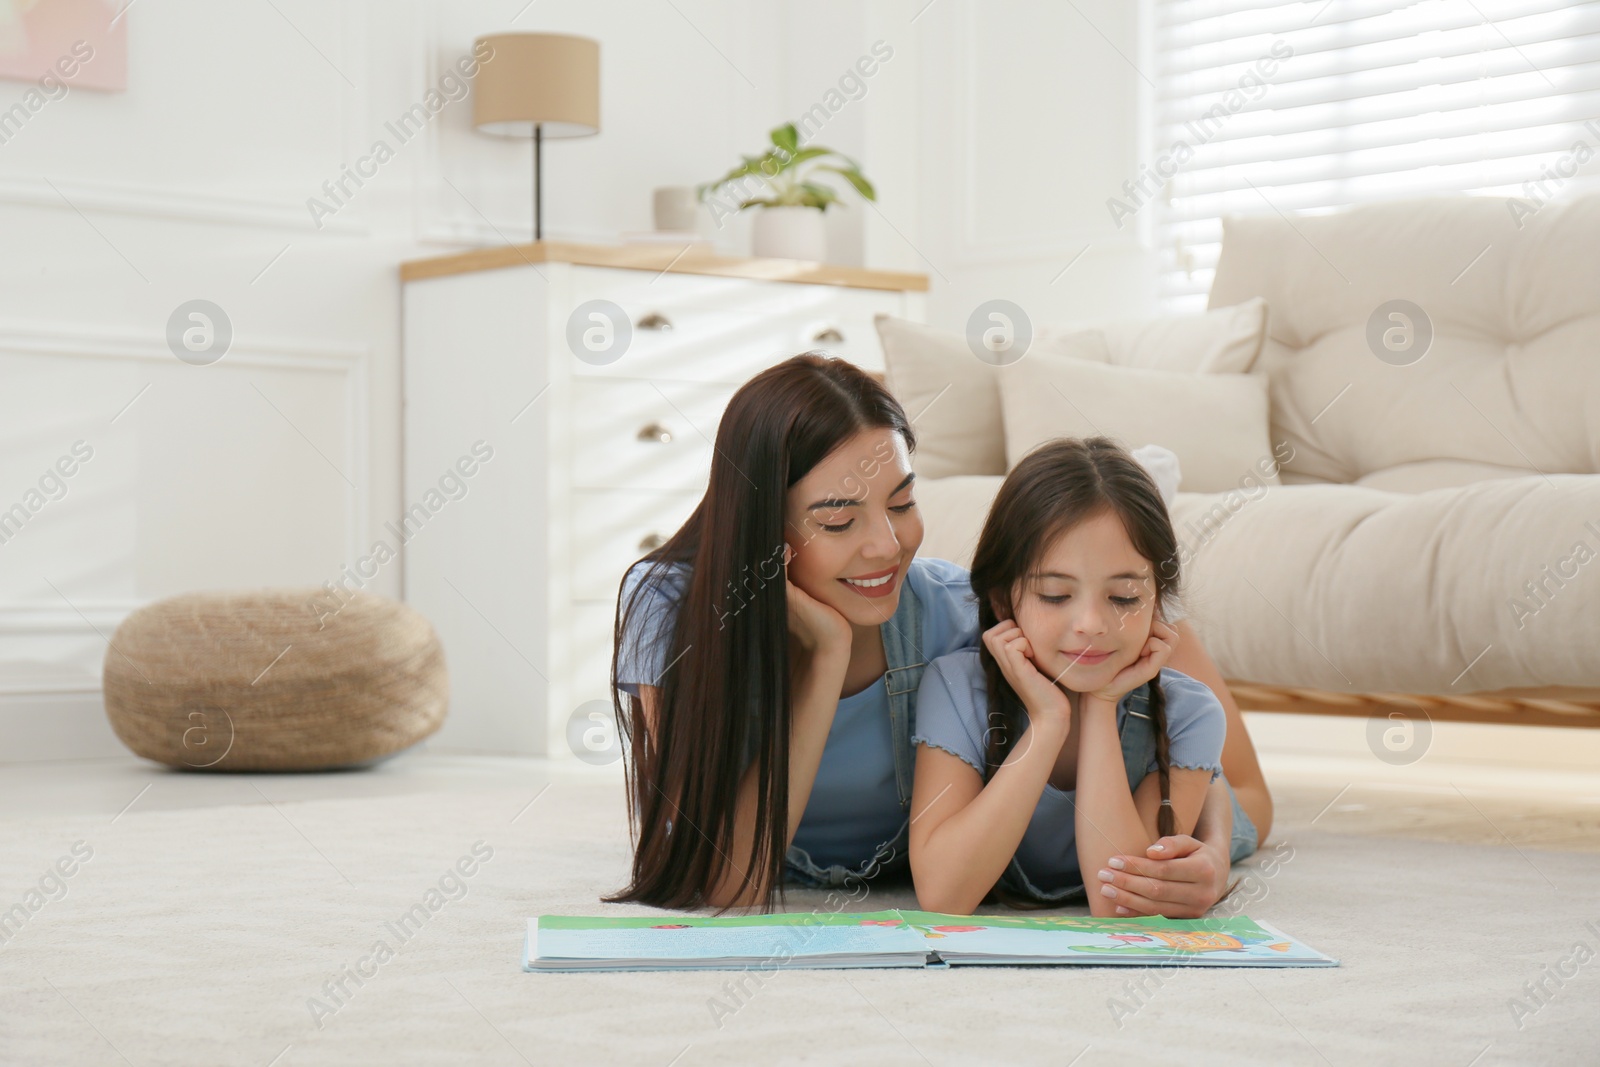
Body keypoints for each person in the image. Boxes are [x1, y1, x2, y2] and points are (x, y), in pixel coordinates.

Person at [604, 354, 1268, 913]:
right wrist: (826, 657)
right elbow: (726, 881)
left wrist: (1209, 852)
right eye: (838, 522)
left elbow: (1233, 780)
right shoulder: (670, 609)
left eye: (902, 503)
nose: (887, 546)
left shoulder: (958, 612)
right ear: (759, 527)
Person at [910, 436, 1245, 913]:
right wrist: (1049, 722)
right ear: (1004, 600)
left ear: (1155, 601)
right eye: (1054, 594)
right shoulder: (955, 686)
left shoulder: (1191, 713)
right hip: (1138, 709)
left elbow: (1120, 905)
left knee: (1247, 805)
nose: (1091, 623)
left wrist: (1104, 705)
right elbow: (944, 896)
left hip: (1178, 742)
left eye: (1125, 597)